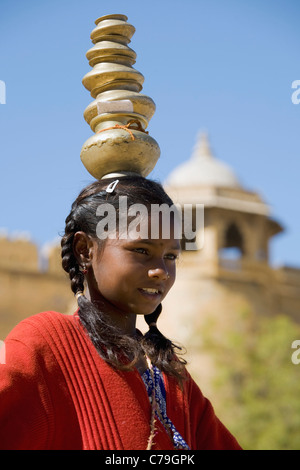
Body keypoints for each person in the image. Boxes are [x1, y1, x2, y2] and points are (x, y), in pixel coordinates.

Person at [0, 175, 241, 450]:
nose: (160, 270)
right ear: (84, 250)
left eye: (171, 256)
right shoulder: (45, 343)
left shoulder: (168, 372)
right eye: (141, 250)